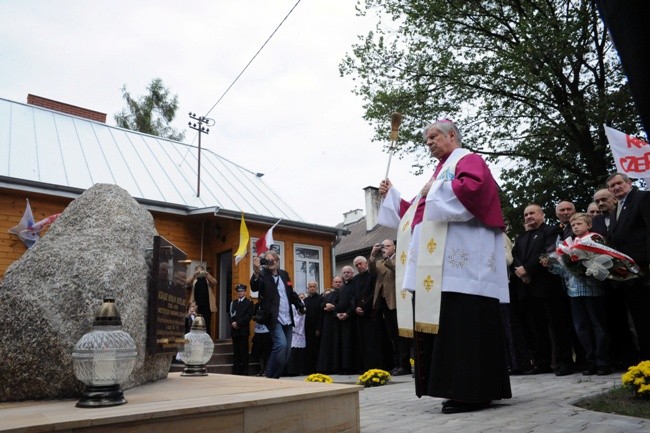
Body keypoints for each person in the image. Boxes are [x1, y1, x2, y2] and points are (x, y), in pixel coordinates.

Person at [378, 119, 511, 414]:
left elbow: (474, 190)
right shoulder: (442, 171)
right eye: (427, 139)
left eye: (433, 137)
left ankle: (470, 391)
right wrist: (393, 196)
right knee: (452, 324)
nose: (429, 143)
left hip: (463, 265)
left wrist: (433, 189)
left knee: (464, 323)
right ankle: (463, 388)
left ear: (452, 136)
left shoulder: (468, 160)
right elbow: (417, 211)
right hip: (440, 269)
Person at [541, 213, 612, 375]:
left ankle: (603, 362)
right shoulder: (568, 244)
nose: (575, 227)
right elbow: (565, 271)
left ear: (588, 225)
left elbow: (603, 261)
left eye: (579, 223)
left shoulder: (595, 239)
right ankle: (591, 361)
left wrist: (584, 265)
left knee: (598, 325)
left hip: (593, 289)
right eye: (573, 226)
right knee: (581, 327)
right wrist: (551, 265)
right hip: (574, 291)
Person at [513, 204, 575, 376]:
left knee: (557, 326)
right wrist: (521, 271)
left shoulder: (551, 231)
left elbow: (548, 251)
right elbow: (515, 255)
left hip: (548, 286)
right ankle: (542, 363)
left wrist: (528, 270)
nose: (528, 216)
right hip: (527, 287)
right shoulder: (522, 237)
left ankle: (565, 362)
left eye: (532, 213)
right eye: (526, 214)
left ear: (542, 215)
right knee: (536, 328)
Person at [606, 172, 650, 361]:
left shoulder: (642, 198)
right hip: (628, 274)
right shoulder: (617, 208)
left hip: (643, 269)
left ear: (629, 183)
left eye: (619, 183)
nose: (616, 188)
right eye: (612, 186)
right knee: (640, 319)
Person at [250, 250, 304, 378]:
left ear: (277, 262)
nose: (270, 262)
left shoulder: (284, 274)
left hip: (287, 316)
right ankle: (271, 376)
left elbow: (291, 292)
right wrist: (256, 271)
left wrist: (300, 305)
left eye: (272, 260)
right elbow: (254, 286)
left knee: (286, 351)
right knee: (281, 345)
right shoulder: (262, 275)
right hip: (273, 317)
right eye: (267, 260)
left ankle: (276, 375)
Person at [369, 239, 411, 376]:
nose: (384, 249)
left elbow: (396, 268)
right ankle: (397, 364)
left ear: (394, 247)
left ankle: (405, 365)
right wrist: (373, 256)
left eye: (387, 246)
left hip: (397, 301)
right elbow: (372, 271)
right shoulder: (380, 263)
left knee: (401, 335)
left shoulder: (400, 259)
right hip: (384, 303)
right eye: (383, 247)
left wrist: (387, 257)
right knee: (392, 335)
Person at [352, 255, 383, 372]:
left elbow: (374, 294)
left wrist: (364, 307)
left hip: (371, 313)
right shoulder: (355, 279)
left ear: (366, 263)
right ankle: (364, 367)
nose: (359, 266)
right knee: (362, 342)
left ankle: (375, 366)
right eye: (357, 265)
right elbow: (353, 296)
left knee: (373, 342)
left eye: (361, 264)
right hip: (359, 315)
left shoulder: (372, 276)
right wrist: (356, 307)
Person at [317, 277, 342, 373]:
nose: (338, 284)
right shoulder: (329, 295)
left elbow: (344, 304)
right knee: (327, 345)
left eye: (340, 282)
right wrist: (326, 307)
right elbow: (322, 305)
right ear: (332, 283)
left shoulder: (344, 293)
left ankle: (336, 367)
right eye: (336, 282)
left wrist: (333, 307)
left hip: (338, 322)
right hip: (328, 323)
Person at [230, 284, 253, 375]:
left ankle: (244, 372)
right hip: (234, 331)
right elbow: (230, 315)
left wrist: (238, 323)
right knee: (236, 352)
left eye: (242, 291)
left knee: (243, 352)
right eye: (238, 291)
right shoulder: (234, 302)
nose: (240, 293)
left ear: (245, 292)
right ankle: (236, 371)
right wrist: (232, 322)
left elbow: (248, 316)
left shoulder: (249, 303)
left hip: (243, 330)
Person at [338, 266, 358, 374]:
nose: (346, 274)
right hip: (342, 319)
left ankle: (352, 367)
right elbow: (338, 303)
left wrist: (348, 313)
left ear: (352, 273)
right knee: (344, 344)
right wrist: (337, 314)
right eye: (344, 272)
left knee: (352, 343)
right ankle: (345, 367)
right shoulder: (341, 288)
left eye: (348, 272)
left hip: (352, 318)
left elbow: (354, 301)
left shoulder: (355, 285)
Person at [186, 265, 217, 330]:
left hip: (207, 305)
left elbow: (215, 282)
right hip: (196, 306)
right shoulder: (194, 280)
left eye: (201, 270)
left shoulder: (207, 279)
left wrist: (208, 275)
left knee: (207, 323)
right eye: (198, 270)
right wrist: (194, 275)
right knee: (195, 323)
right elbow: (187, 282)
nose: (199, 272)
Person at [303, 280, 324, 374]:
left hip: (316, 328)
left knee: (316, 349)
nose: (312, 288)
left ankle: (317, 369)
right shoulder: (305, 300)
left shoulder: (321, 299)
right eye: (310, 287)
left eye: (313, 286)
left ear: (317, 288)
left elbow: (321, 315)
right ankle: (308, 369)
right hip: (307, 328)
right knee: (308, 349)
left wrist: (318, 328)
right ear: (308, 288)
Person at [285, 294, 307, 376]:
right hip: (288, 326)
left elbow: (300, 315)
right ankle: (287, 370)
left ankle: (294, 370)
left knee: (295, 350)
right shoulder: (286, 301)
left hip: (296, 329)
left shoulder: (299, 302)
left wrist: (292, 325)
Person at [251, 303, 272, 376]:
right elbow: (253, 315)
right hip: (258, 331)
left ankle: (267, 369)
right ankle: (261, 368)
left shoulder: (269, 304)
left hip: (267, 331)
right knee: (259, 351)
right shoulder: (257, 305)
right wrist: (256, 317)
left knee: (267, 351)